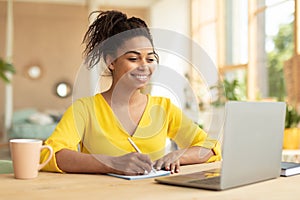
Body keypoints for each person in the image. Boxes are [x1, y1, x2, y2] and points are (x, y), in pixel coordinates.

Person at [40, 10, 221, 176]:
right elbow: (52, 154)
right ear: (111, 62)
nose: (144, 66)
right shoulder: (84, 109)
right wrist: (111, 163)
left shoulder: (163, 108)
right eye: (133, 58)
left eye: (150, 59)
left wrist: (179, 156)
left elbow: (210, 147)